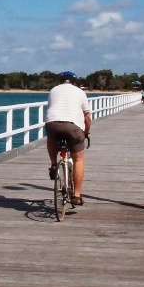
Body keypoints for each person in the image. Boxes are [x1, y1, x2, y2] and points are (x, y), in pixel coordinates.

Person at [45, 71, 91, 206]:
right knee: (78, 159)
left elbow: (52, 109)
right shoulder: (79, 92)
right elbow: (87, 117)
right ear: (74, 82)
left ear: (60, 81)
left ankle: (54, 164)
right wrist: (86, 132)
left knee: (51, 138)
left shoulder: (53, 90)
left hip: (52, 123)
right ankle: (76, 195)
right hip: (73, 126)